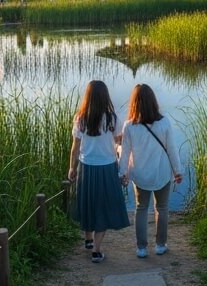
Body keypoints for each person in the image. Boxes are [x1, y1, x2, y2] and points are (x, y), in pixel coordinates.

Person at [68, 80, 129, 262]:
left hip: (86, 167)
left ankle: (88, 239)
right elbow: (119, 140)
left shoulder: (80, 118)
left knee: (88, 202)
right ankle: (96, 249)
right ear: (105, 96)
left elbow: (75, 146)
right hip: (107, 167)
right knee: (102, 206)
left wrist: (72, 167)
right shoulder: (112, 118)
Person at [118, 84, 183, 258]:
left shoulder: (129, 126)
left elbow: (125, 153)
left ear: (134, 103)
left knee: (141, 208)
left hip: (140, 174)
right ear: (153, 101)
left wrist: (122, 173)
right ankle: (160, 245)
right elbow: (172, 149)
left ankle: (141, 248)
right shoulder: (164, 122)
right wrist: (178, 170)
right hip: (161, 172)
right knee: (162, 207)